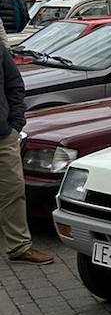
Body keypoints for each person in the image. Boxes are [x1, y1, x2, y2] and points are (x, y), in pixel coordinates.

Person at [1, 44, 51, 265]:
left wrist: (15, 123)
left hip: (3, 135)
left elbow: (14, 85)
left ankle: (19, 246)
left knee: (13, 190)